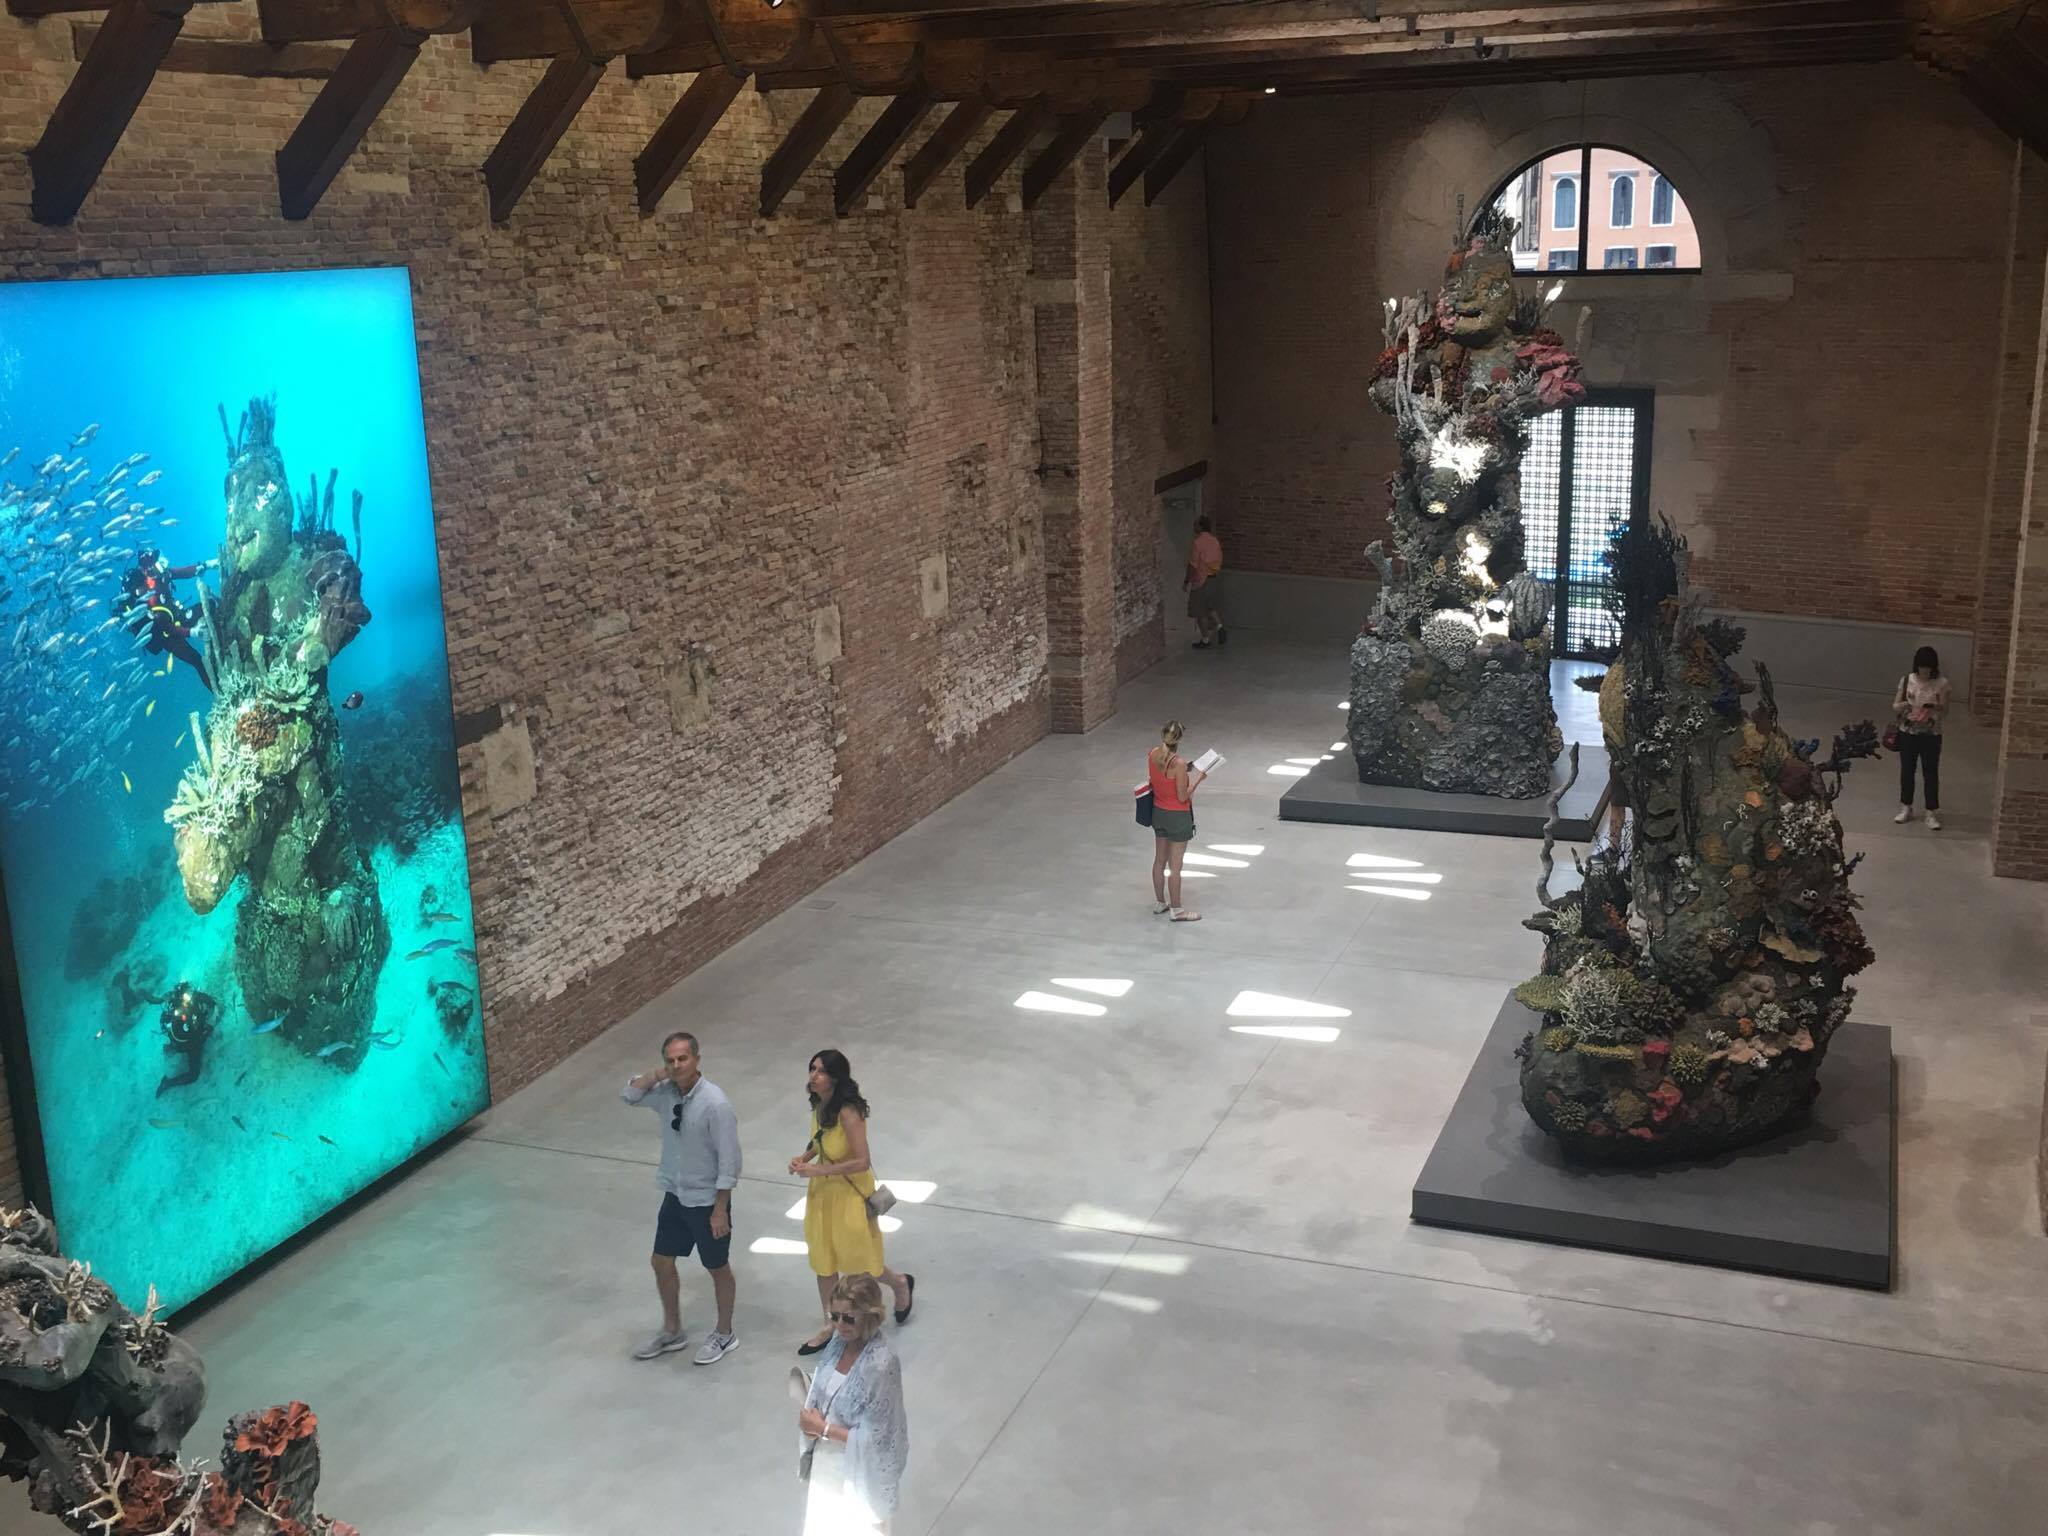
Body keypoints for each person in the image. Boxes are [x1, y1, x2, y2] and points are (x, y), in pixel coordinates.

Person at [621, 1030, 741, 1364]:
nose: (677, 1065)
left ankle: (725, 1333)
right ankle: (672, 1331)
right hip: (676, 1194)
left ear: (697, 1060)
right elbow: (629, 1095)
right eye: (670, 1060)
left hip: (706, 1200)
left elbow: (730, 1160)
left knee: (717, 1267)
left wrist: (720, 1209)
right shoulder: (665, 1093)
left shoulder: (715, 1103)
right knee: (661, 1261)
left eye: (683, 1059)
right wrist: (659, 1075)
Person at [793, 1050, 914, 1356]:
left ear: (835, 1078)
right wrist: (804, 1158)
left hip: (848, 1196)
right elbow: (820, 1141)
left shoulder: (849, 1112)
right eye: (812, 1069)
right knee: (824, 1260)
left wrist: (818, 1170)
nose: (813, 1076)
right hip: (823, 1193)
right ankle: (830, 1324)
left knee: (859, 1262)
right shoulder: (819, 1104)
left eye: (821, 1071)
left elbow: (862, 1161)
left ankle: (899, 1283)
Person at [796, 1274, 909, 1536]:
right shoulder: (838, 1343)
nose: (839, 1325)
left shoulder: (881, 1364)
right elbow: (831, 1387)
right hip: (827, 1462)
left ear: (869, 1316)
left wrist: (823, 1429)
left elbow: (880, 1438)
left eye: (848, 1318)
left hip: (860, 1474)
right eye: (834, 1316)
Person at [114, 547, 218, 691]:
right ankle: (219, 692)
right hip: (166, 636)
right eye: (150, 563)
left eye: (155, 560)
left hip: (177, 617)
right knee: (196, 659)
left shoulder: (160, 572)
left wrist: (205, 565)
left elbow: (181, 572)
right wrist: (193, 632)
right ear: (144, 567)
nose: (155, 566)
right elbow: (165, 626)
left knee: (211, 604)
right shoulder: (145, 593)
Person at [1147, 719, 1207, 922]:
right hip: (1177, 817)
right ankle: (1177, 910)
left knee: (1159, 860)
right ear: (1179, 740)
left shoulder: (1153, 754)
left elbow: (1160, 777)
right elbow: (1183, 797)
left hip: (1158, 813)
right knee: (1175, 866)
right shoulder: (1179, 763)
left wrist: (1184, 770)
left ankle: (1160, 902)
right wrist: (1198, 780)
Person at [1892, 645, 1951, 831]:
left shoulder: (1941, 683)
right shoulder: (1907, 680)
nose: (1925, 671)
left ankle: (1931, 812)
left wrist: (1935, 708)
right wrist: (1905, 706)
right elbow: (1895, 706)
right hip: (1908, 732)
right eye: (1922, 667)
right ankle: (1906, 807)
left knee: (1930, 772)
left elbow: (1945, 711)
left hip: (1931, 734)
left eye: (1928, 668)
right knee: (1907, 770)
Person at [154, 980, 216, 1095]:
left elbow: (209, 1001)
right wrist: (206, 1032)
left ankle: (171, 1049)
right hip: (186, 1043)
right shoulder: (178, 1020)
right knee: (193, 1075)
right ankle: (167, 1083)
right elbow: (190, 1041)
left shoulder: (190, 998)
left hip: (187, 1036)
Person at [1185, 516, 1225, 649]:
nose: (1193, 527)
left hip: (1201, 580)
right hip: (1213, 578)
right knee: (1210, 607)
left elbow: (1193, 565)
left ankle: (1205, 639)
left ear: (1201, 526)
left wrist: (1186, 580)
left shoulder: (1197, 543)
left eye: (1196, 524)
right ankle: (1220, 627)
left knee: (1200, 612)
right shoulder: (1215, 541)